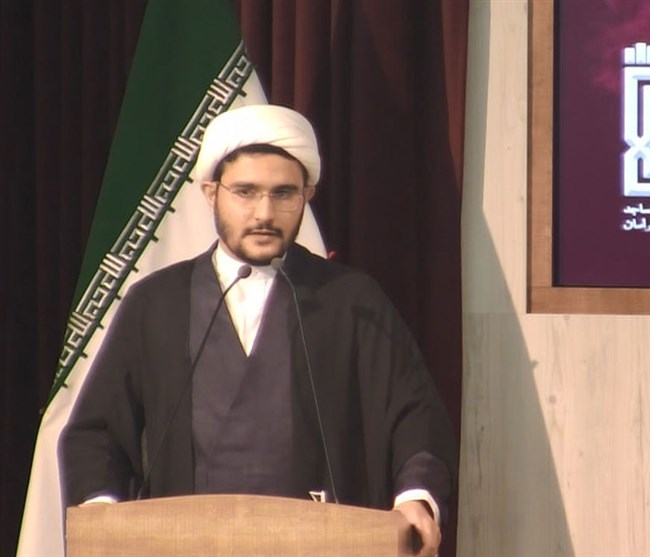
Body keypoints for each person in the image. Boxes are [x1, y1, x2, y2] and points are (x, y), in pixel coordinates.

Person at [59, 104, 457, 556]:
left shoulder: (351, 300)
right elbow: (97, 433)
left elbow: (416, 418)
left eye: (283, 193)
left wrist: (415, 498)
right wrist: (103, 514)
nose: (264, 213)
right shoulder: (156, 302)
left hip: (323, 544)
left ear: (307, 195)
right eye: (245, 192)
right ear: (211, 192)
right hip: (180, 543)